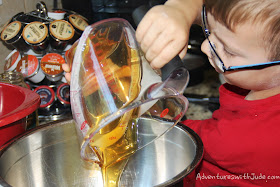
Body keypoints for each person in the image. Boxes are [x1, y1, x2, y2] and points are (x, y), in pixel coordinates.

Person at [63, 0, 280, 186]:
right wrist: (181, 9)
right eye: (210, 30)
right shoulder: (262, 83)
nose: (206, 47)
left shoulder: (251, 141)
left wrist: (106, 93)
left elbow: (169, 137)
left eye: (229, 50)